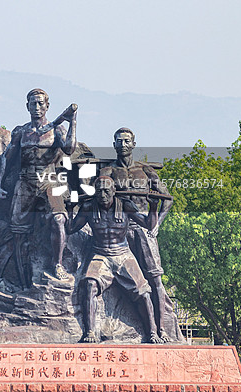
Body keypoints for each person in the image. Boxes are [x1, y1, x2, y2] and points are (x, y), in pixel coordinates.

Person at [68, 176, 164, 344]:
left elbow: (149, 224)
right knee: (90, 285)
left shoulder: (126, 205)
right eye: (99, 191)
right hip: (100, 254)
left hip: (123, 254)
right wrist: (69, 209)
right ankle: (90, 332)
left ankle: (152, 333)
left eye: (106, 191)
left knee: (144, 293)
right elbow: (70, 228)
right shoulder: (89, 207)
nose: (102, 194)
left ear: (113, 191)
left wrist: (154, 206)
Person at [0, 89, 77, 287]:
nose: (37, 107)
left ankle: (57, 264)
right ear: (27, 106)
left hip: (49, 180)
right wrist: (0, 183)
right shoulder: (20, 131)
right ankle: (22, 279)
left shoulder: (56, 130)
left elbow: (69, 148)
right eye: (33, 103)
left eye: (41, 103)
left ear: (47, 106)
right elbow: (7, 158)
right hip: (25, 181)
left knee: (59, 219)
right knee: (18, 232)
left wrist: (73, 122)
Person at [99, 128, 173, 342]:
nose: (123, 144)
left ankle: (162, 329)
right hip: (118, 230)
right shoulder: (108, 171)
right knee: (127, 280)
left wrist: (157, 223)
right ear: (114, 144)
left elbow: (166, 198)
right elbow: (98, 196)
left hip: (143, 228)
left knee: (155, 278)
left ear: (133, 144)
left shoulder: (145, 170)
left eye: (127, 141)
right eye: (119, 141)